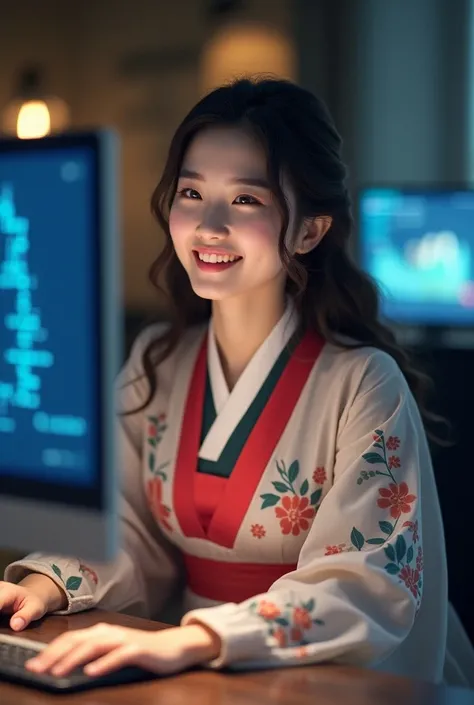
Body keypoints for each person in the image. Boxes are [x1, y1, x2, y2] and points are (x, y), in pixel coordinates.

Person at [0, 77, 472, 685]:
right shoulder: (158, 359)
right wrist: (47, 585)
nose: (209, 226)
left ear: (309, 231)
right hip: (178, 664)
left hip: (302, 673)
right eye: (191, 192)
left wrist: (200, 639)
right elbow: (131, 532)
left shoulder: (362, 382)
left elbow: (367, 586)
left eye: (246, 200)